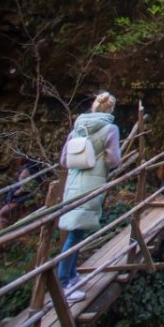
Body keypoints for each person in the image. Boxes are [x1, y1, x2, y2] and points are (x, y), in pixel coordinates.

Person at [56, 92, 121, 303]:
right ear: (110, 109)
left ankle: (72, 276)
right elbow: (114, 160)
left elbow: (65, 160)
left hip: (73, 184)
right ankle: (64, 282)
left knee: (76, 231)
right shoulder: (110, 128)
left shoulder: (77, 127)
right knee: (76, 235)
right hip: (92, 185)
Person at [0, 161, 39, 231]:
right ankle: (6, 235)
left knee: (2, 214)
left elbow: (25, 187)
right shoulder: (26, 169)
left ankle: (6, 236)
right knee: (3, 214)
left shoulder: (27, 170)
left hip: (22, 199)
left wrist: (17, 193)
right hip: (18, 198)